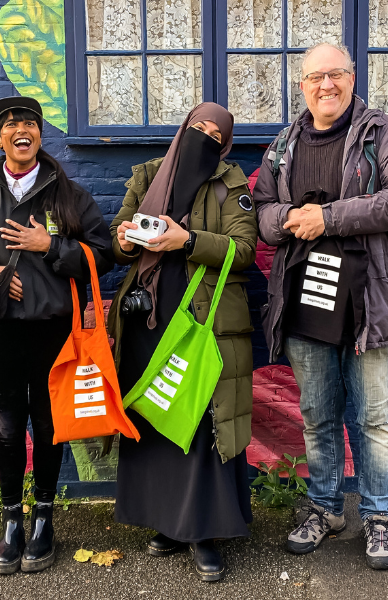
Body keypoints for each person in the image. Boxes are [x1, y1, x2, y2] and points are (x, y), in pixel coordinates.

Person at [253, 42, 388, 569]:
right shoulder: (283, 144)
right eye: (315, 77)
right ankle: (325, 509)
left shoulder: (382, 132)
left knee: (378, 418)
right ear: (300, 85)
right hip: (305, 300)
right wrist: (290, 218)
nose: (326, 85)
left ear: (353, 77)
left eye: (336, 75)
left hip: (371, 301)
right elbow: (261, 212)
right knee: (318, 416)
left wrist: (327, 218)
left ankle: (379, 518)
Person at [0, 97, 114, 575]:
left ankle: (44, 518)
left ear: (38, 136)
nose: (21, 130)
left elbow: (104, 253)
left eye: (29, 123)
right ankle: (11, 519)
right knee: (10, 428)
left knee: (49, 428)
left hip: (55, 331)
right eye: (11, 125)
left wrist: (50, 245)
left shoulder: (67, 195)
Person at [108, 103, 257, 582]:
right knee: (154, 416)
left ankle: (202, 531)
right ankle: (167, 523)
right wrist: (128, 240)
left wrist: (188, 241)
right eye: (198, 129)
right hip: (146, 321)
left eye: (216, 134)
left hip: (202, 322)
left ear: (226, 144)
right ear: (183, 128)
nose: (205, 138)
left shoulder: (231, 183)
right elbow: (117, 237)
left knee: (196, 421)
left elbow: (245, 250)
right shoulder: (149, 174)